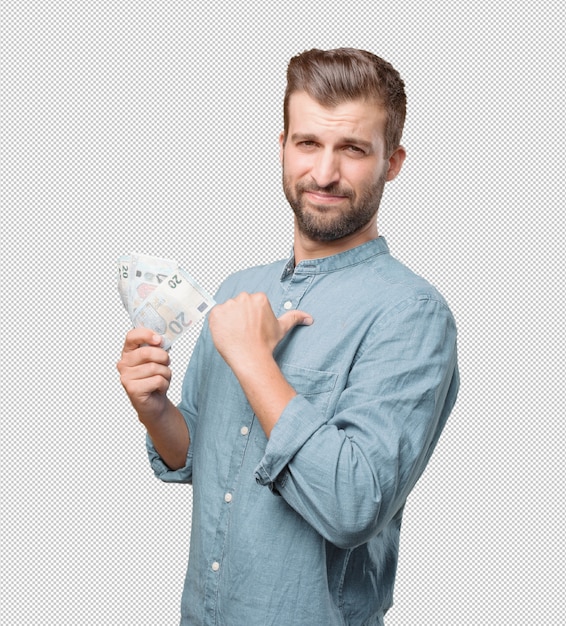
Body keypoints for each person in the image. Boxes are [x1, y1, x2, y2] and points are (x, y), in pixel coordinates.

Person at [117, 47, 460, 626]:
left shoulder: (412, 314)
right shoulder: (238, 290)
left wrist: (255, 362)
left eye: (352, 149)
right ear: (282, 146)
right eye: (308, 144)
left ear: (392, 162)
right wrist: (154, 410)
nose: (324, 173)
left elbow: (353, 505)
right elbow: (199, 455)